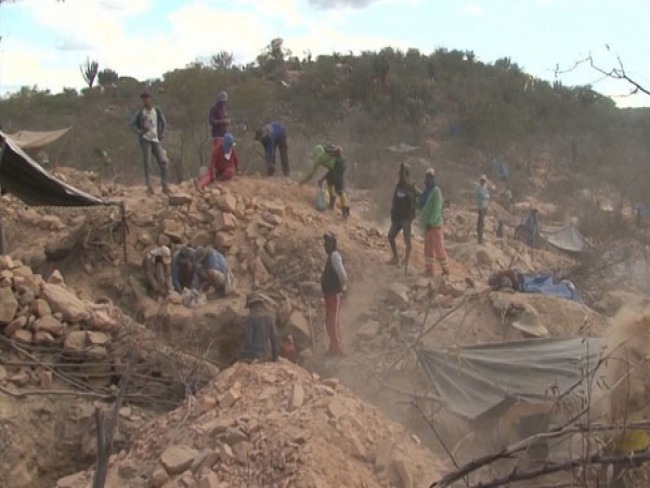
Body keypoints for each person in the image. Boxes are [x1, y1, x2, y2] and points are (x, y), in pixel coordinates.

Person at [129, 91, 170, 196]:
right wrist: (140, 132)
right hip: (145, 139)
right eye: (144, 99)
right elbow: (131, 125)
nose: (146, 101)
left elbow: (164, 123)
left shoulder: (156, 110)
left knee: (163, 161)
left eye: (147, 98)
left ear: (150, 99)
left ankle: (164, 185)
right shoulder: (140, 112)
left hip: (155, 139)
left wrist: (162, 133)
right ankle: (149, 187)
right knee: (147, 163)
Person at [301, 144, 350, 219]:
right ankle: (331, 204)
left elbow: (312, 173)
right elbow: (331, 169)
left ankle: (345, 211)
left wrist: (303, 181)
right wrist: (323, 179)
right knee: (329, 182)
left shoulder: (320, 158)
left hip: (339, 166)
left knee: (340, 190)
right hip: (334, 167)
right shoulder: (326, 155)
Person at [418, 168, 449, 277]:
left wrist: (431, 222)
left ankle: (445, 270)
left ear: (433, 178)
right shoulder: (426, 192)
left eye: (430, 177)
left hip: (434, 225)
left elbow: (437, 208)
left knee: (439, 248)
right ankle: (429, 271)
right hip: (427, 226)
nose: (428, 179)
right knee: (428, 249)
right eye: (427, 177)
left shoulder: (436, 191)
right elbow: (420, 203)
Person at [321, 232, 348, 356]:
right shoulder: (332, 256)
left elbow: (342, 274)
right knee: (331, 322)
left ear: (333, 244)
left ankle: (338, 350)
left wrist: (342, 287)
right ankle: (334, 346)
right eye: (325, 243)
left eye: (328, 243)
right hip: (330, 294)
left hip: (333, 294)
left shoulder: (335, 256)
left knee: (332, 323)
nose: (325, 245)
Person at [387, 163, 418, 269]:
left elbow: (421, 197)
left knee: (407, 241)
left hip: (406, 218)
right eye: (400, 174)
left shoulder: (411, 187)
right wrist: (392, 212)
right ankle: (396, 258)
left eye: (402, 174)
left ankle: (406, 261)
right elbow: (394, 200)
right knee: (390, 236)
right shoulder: (398, 186)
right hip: (397, 217)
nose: (400, 175)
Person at [242, 293, 279, 363]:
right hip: (267, 354)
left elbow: (249, 339)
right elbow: (274, 338)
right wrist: (275, 356)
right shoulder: (269, 317)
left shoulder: (251, 319)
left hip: (255, 355)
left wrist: (247, 355)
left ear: (251, 306)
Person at [476, 174, 490, 244]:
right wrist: (487, 196)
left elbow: (487, 196)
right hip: (481, 207)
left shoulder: (484, 188)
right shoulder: (479, 188)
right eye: (482, 180)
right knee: (480, 223)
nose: (483, 182)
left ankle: (480, 238)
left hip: (484, 207)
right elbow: (484, 196)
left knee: (482, 223)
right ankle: (479, 239)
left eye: (484, 181)